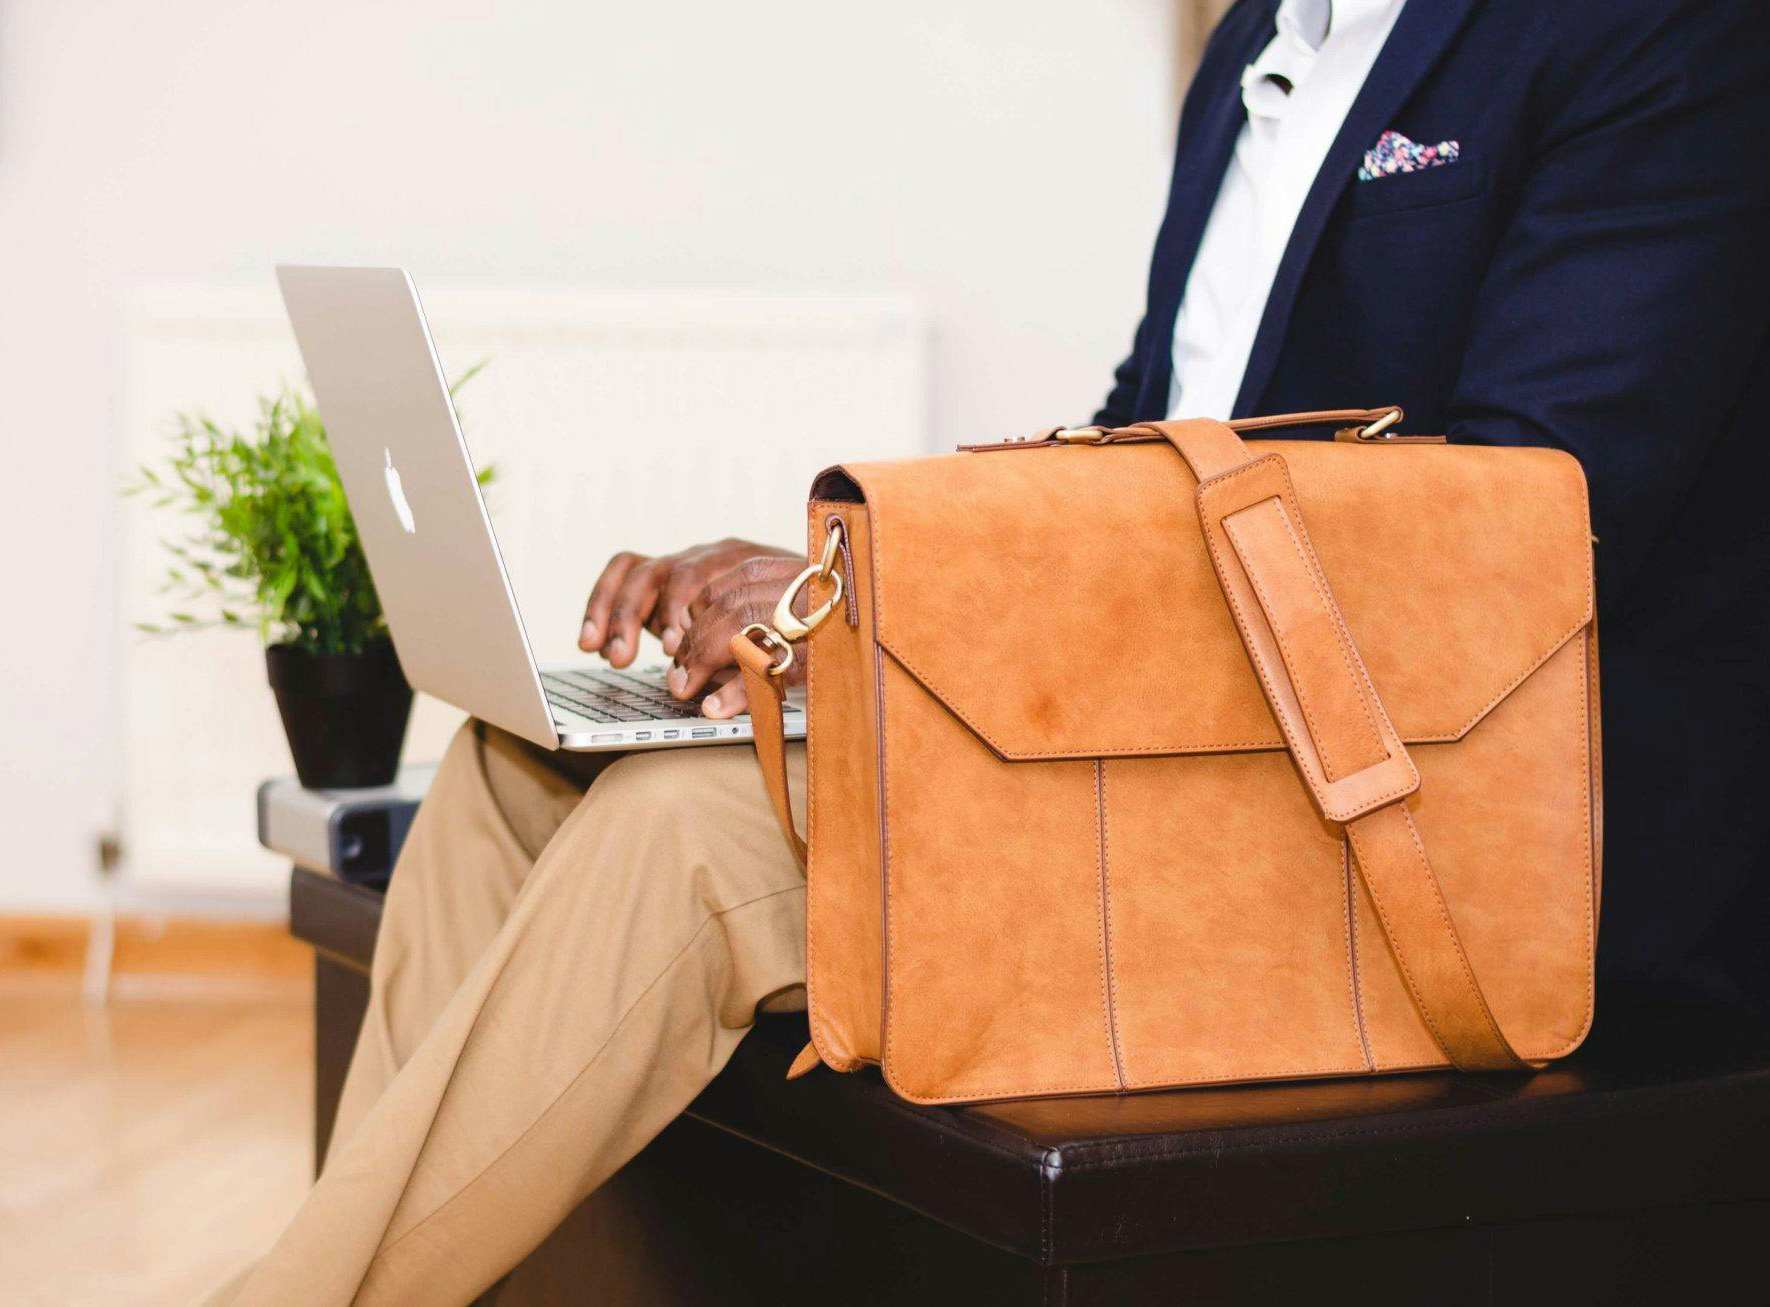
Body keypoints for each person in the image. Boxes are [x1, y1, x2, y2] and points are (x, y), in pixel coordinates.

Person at [217, 0, 1770, 1301]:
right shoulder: (1251, 52)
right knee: (514, 767)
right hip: (1190, 755)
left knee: (696, 833)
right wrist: (842, 589)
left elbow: (1508, 535)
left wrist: (912, 617)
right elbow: (1142, 441)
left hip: (1431, 823)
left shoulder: (1659, 34)